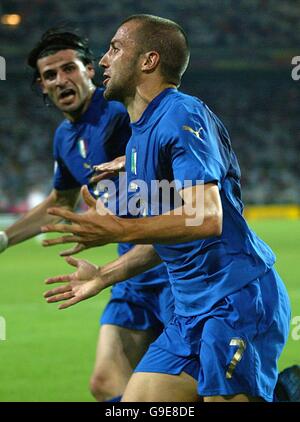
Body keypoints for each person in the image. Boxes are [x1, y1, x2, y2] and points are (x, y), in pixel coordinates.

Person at [41, 15, 291, 402]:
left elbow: (207, 218)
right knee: (132, 403)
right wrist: (106, 274)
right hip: (189, 312)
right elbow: (167, 239)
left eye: (115, 48)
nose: (103, 61)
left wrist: (119, 230)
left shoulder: (181, 113)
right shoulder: (139, 136)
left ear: (148, 61)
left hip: (235, 298)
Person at [0, 28, 175, 402]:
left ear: (90, 70)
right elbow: (59, 203)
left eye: (69, 68)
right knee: (107, 383)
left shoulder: (119, 110)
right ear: (42, 86)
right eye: (50, 75)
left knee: (183, 391)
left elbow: (164, 152)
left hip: (172, 265)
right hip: (131, 271)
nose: (61, 79)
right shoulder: (65, 137)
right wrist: (4, 239)